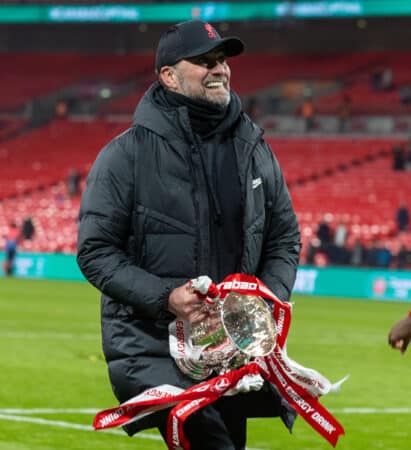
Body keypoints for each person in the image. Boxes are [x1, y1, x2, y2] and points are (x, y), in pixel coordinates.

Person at [77, 19, 301, 450]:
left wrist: (266, 302)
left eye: (222, 60)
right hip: (157, 347)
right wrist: (167, 297)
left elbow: (284, 237)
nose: (220, 69)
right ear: (168, 75)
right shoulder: (125, 156)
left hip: (236, 349)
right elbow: (95, 252)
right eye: (204, 61)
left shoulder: (253, 148)